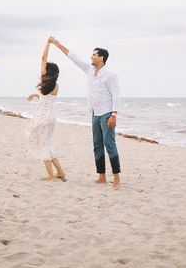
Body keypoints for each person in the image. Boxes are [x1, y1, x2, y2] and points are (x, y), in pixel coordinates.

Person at [49, 36, 121, 190]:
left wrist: (114, 115)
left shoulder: (110, 75)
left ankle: (116, 178)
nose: (91, 56)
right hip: (94, 112)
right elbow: (74, 57)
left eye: (94, 54)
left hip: (107, 113)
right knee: (97, 146)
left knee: (109, 145)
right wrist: (58, 44)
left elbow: (116, 96)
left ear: (101, 58)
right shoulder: (89, 70)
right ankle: (101, 176)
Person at [27, 38, 67, 182]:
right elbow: (46, 98)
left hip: (42, 117)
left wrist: (48, 43)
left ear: (47, 71)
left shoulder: (45, 79)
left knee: (42, 146)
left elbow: (43, 58)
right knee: (47, 144)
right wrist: (35, 94)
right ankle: (60, 172)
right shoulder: (56, 85)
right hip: (51, 117)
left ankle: (51, 177)